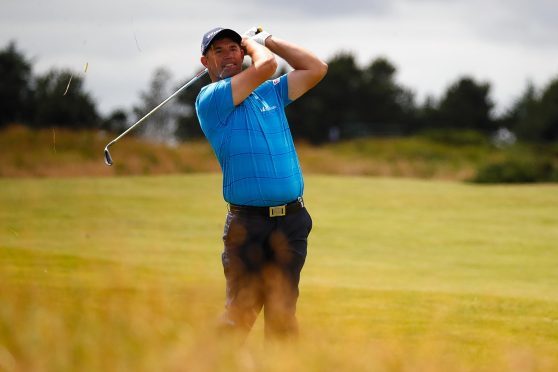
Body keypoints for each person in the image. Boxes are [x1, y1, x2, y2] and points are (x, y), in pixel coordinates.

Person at [195, 26, 327, 340]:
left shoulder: (270, 93)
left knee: (283, 316)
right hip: (248, 226)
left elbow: (316, 68)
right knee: (240, 314)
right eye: (219, 51)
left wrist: (267, 39)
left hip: (291, 223)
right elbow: (266, 65)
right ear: (205, 62)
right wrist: (253, 46)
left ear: (241, 53)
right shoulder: (211, 99)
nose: (228, 55)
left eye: (233, 48)